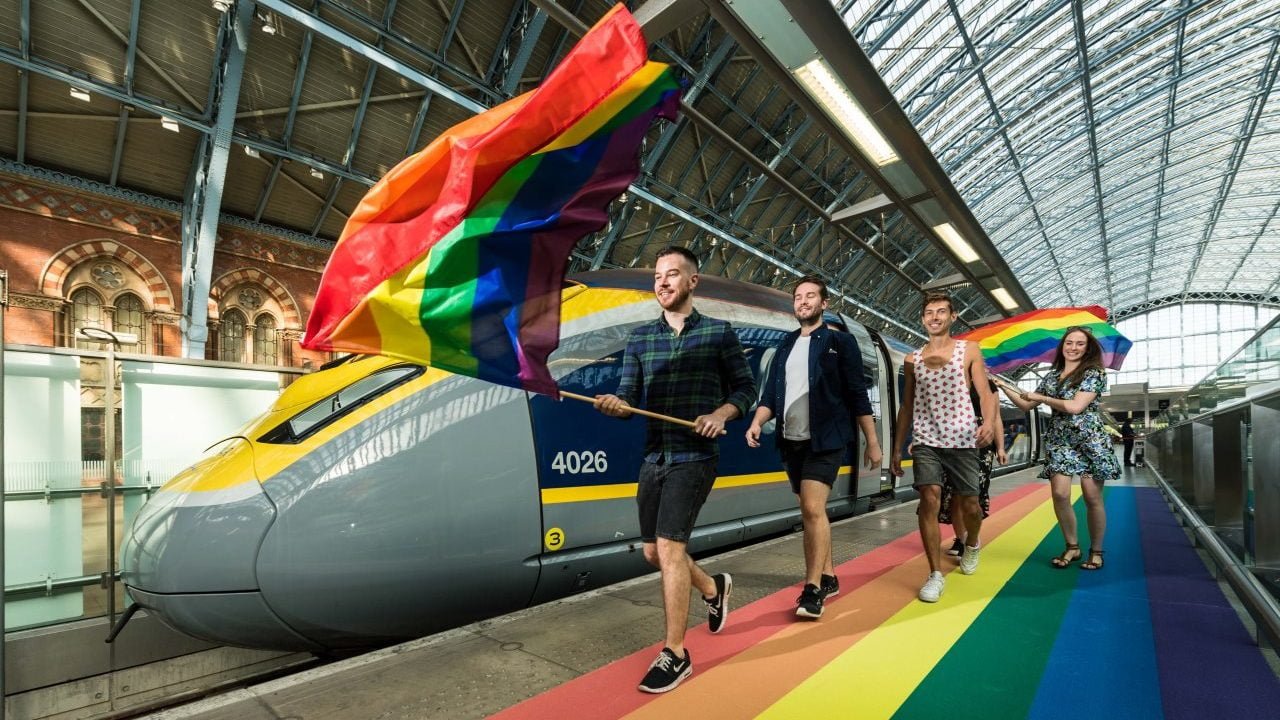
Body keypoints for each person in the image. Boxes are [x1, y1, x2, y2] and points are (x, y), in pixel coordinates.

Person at [594, 246, 756, 694]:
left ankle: (676, 653)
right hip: (655, 458)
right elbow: (628, 398)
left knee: (668, 550)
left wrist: (723, 414)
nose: (662, 282)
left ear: (692, 282)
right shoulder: (641, 339)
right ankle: (712, 587)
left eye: (672, 275)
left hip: (695, 458)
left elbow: (746, 388)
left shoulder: (720, 334)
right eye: (658, 277)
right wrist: (616, 405)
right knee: (652, 553)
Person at [745, 277, 882, 620]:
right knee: (812, 513)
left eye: (810, 296)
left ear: (824, 304)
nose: (803, 301)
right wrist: (758, 421)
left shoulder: (840, 342)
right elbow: (771, 398)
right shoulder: (785, 346)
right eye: (798, 297)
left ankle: (812, 589)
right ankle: (830, 575)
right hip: (792, 441)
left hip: (826, 439)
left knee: (811, 508)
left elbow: (856, 393)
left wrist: (873, 443)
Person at [890, 291, 997, 603]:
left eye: (941, 312)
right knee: (929, 499)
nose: (934, 317)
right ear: (923, 319)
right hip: (926, 440)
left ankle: (972, 541)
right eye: (929, 313)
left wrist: (988, 423)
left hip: (964, 439)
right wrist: (898, 447)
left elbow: (986, 393)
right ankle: (935, 573)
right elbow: (907, 406)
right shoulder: (913, 360)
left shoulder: (969, 351)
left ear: (953, 317)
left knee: (970, 506)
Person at [998, 327, 1120, 571]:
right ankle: (1072, 547)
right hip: (1060, 440)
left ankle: (1096, 551)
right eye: (1069, 343)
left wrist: (1043, 398)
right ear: (1062, 346)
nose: (1073, 347)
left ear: (1088, 348)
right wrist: (1001, 384)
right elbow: (1025, 403)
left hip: (1090, 441)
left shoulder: (1094, 373)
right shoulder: (1052, 376)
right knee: (1060, 494)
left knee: (1091, 496)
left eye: (1079, 344)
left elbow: (1075, 407)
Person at [939, 378, 1007, 558]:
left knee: (971, 494)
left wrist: (1000, 447)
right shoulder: (948, 378)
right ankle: (961, 539)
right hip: (951, 441)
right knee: (953, 494)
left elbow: (996, 417)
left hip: (981, 443)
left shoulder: (988, 385)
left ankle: (971, 539)